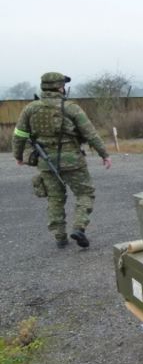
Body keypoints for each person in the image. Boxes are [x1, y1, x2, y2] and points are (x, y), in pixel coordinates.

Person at [12, 72, 112, 249]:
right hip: (73, 161)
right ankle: (79, 228)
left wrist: (18, 156)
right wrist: (104, 155)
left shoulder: (30, 109)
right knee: (85, 193)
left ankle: (60, 237)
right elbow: (90, 134)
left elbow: (19, 135)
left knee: (55, 198)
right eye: (62, 85)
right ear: (59, 87)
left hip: (45, 161)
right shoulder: (71, 108)